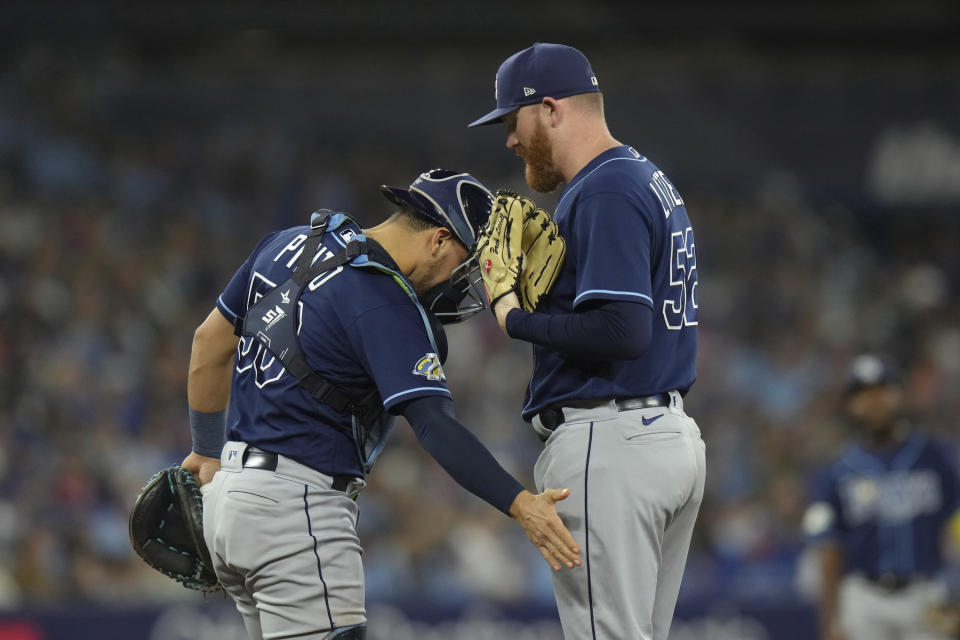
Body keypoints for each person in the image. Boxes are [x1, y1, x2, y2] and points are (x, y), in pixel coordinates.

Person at [179, 168, 582, 640]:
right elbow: (434, 426)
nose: (468, 282)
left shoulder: (288, 243)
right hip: (296, 513)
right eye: (468, 261)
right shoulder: (385, 299)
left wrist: (206, 452)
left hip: (232, 503)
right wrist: (520, 504)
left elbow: (208, 343)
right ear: (437, 239)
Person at [468, 43, 706, 640]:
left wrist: (514, 317)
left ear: (549, 110)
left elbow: (623, 332)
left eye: (511, 120)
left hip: (613, 441)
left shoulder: (604, 190)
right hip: (660, 435)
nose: (508, 140)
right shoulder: (645, 178)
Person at [804, 354, 960, 640]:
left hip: (926, 595)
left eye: (881, 390)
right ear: (850, 405)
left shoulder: (934, 458)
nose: (874, 402)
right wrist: (830, 619)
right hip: (863, 598)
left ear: (899, 395)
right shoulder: (837, 471)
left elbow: (957, 525)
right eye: (863, 394)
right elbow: (827, 549)